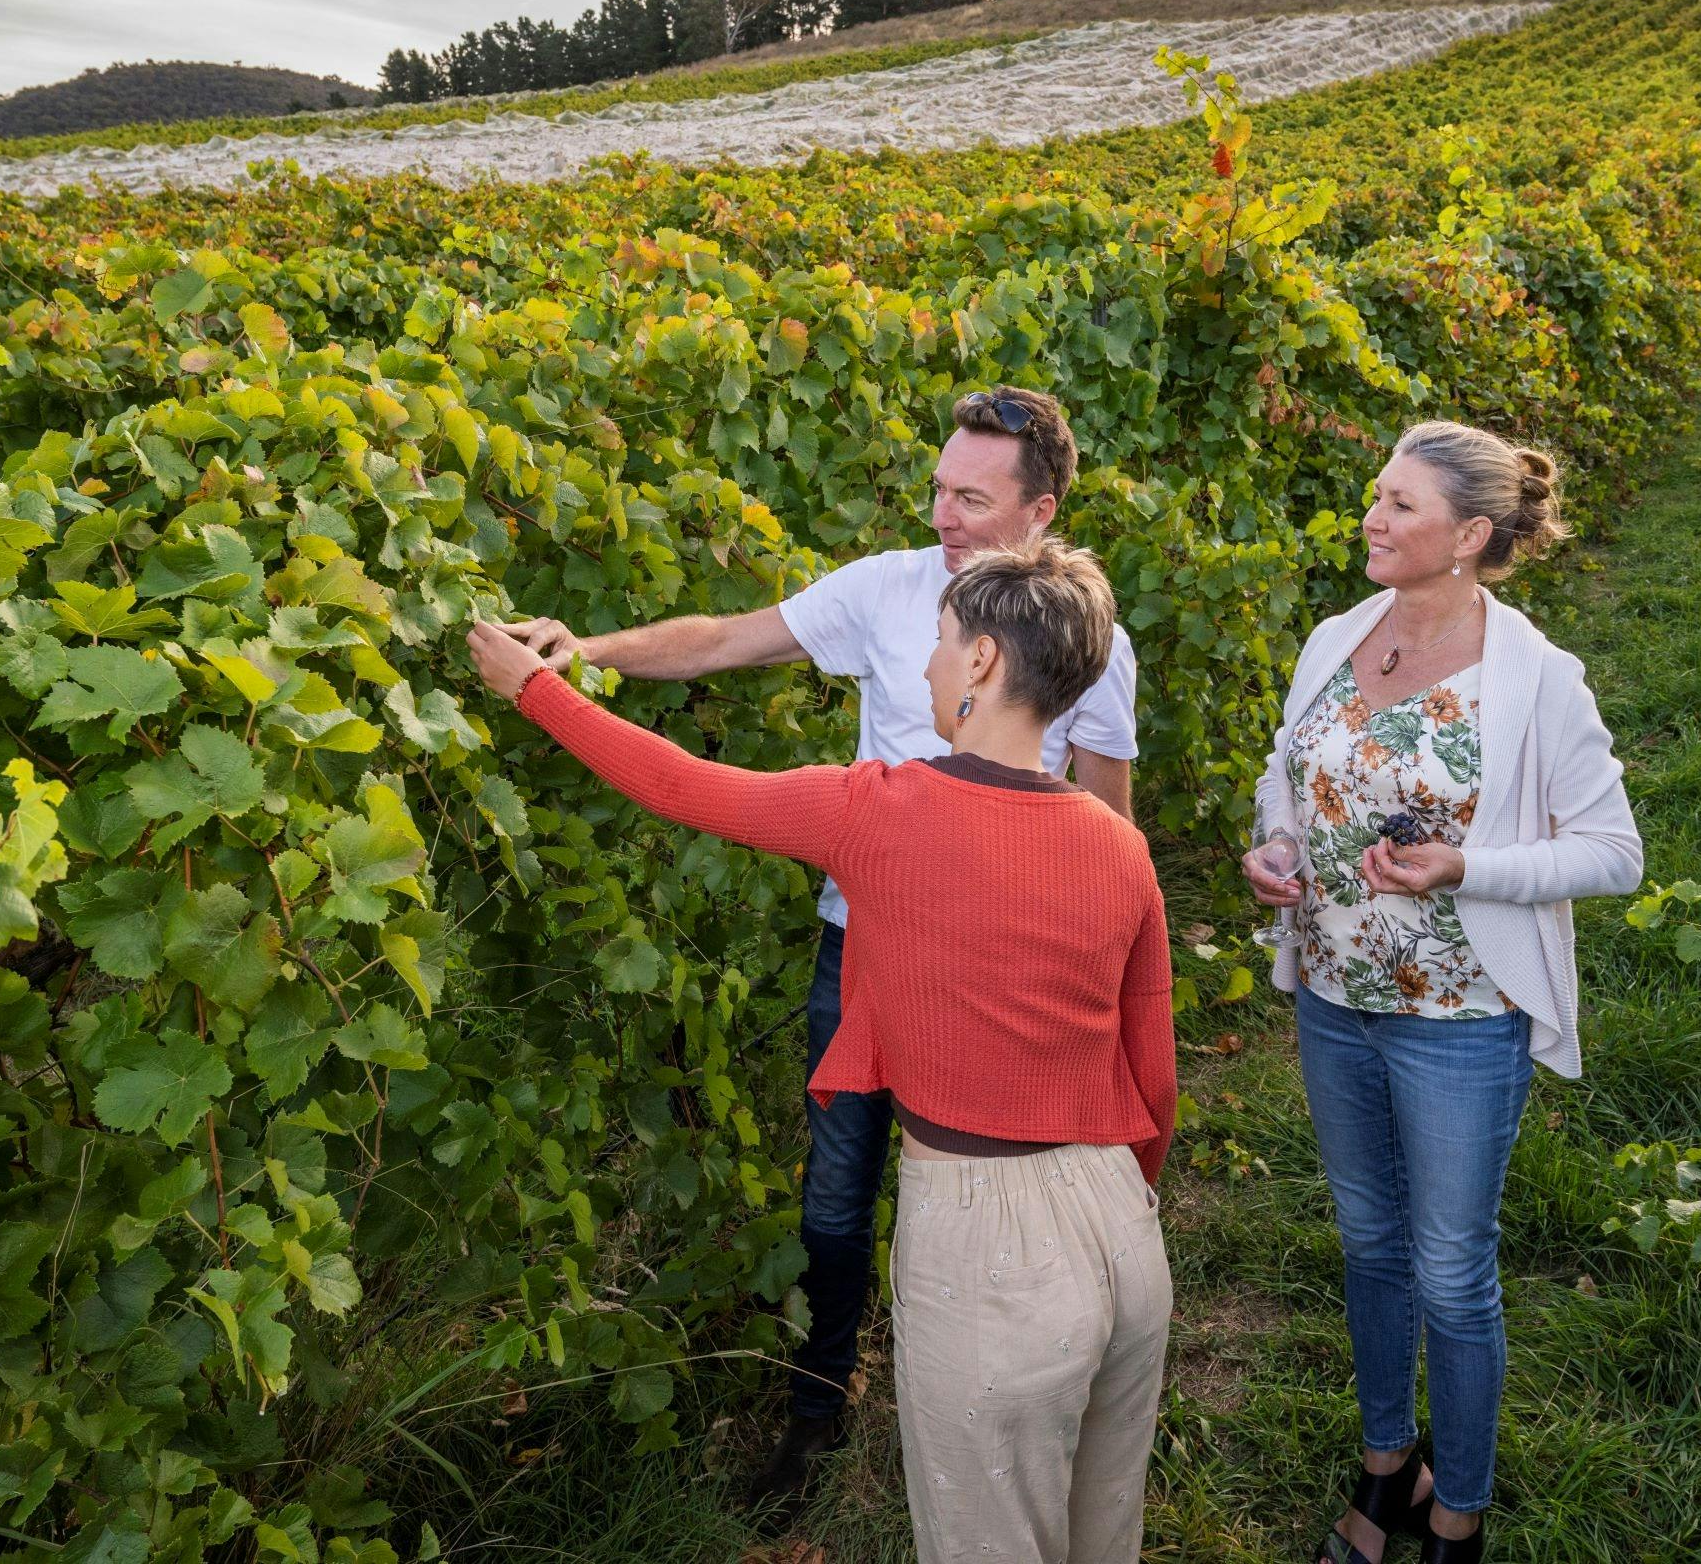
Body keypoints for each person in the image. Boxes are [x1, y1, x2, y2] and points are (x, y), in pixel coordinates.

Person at [467, 539, 1176, 1564]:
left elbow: (678, 783)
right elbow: (1154, 1078)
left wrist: (537, 690)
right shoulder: (1120, 846)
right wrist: (1114, 1210)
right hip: (1122, 1228)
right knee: (1099, 1539)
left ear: (982, 662)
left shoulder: (878, 808)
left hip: (988, 1247)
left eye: (939, 643)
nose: (928, 665)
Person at [1241, 422, 1641, 1564]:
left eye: (1400, 504)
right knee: (1370, 1243)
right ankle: (1386, 1466)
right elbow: (1287, 767)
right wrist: (1274, 843)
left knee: (1454, 1272)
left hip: (1460, 1018)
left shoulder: (1536, 680)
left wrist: (1469, 867)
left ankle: (1457, 1509)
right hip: (1333, 993)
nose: (1373, 516)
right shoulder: (1334, 637)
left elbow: (1615, 851)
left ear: (1469, 535)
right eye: (1377, 495)